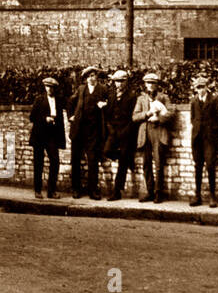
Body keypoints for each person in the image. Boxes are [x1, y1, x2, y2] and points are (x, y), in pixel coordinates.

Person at [133, 71, 173, 203]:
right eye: (148, 83)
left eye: (153, 83)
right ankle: (149, 191)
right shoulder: (141, 99)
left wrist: (159, 119)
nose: (150, 85)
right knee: (146, 163)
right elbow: (135, 116)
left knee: (159, 163)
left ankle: (158, 193)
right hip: (145, 132)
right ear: (145, 84)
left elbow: (171, 113)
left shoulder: (164, 97)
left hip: (159, 131)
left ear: (157, 85)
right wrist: (148, 113)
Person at [69, 66, 108, 200]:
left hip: (94, 130)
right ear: (85, 78)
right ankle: (76, 189)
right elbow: (70, 102)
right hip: (79, 130)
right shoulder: (81, 89)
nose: (91, 78)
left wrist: (104, 105)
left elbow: (110, 103)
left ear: (97, 76)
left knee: (93, 160)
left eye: (93, 75)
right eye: (89, 76)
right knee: (75, 160)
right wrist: (71, 116)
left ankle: (93, 190)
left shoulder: (103, 89)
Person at [189, 74, 218, 207]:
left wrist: (212, 129)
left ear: (207, 87)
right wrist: (197, 129)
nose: (200, 90)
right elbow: (192, 119)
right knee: (197, 167)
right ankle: (197, 196)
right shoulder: (193, 101)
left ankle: (212, 196)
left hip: (209, 139)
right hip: (197, 139)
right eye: (197, 87)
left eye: (202, 87)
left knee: (210, 166)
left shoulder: (214, 100)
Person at [28, 76, 68, 199]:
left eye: (51, 87)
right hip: (40, 134)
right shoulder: (39, 100)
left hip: (52, 135)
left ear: (55, 88)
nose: (49, 89)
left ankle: (51, 191)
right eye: (47, 86)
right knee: (38, 163)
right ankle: (38, 190)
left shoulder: (59, 100)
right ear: (45, 87)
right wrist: (45, 118)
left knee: (55, 161)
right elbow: (32, 117)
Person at [104, 69, 140, 200]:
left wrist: (125, 131)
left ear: (126, 82)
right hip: (113, 131)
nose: (118, 84)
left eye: (121, 81)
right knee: (107, 151)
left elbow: (133, 117)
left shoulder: (132, 96)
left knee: (122, 164)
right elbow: (108, 114)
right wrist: (110, 129)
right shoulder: (111, 94)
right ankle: (124, 157)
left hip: (126, 133)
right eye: (116, 81)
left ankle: (117, 191)